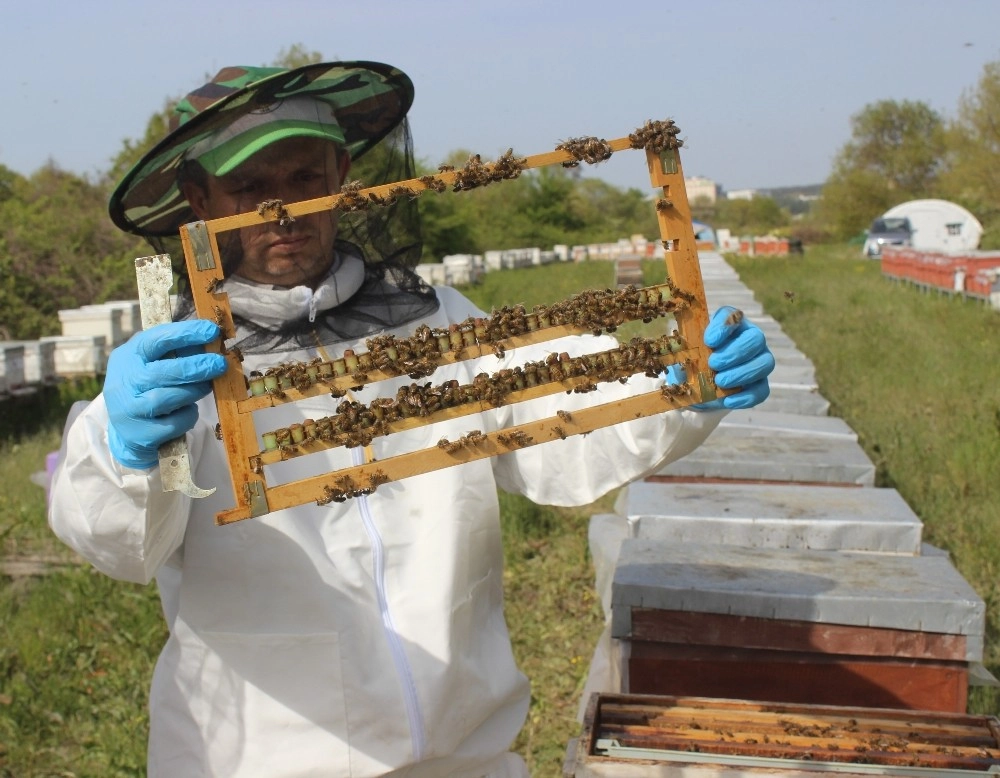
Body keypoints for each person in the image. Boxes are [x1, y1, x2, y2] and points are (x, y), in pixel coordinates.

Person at [49, 61, 774, 778]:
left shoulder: (439, 326)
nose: (285, 209)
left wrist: (672, 390)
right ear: (200, 200)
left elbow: (558, 428)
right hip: (257, 761)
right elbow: (119, 547)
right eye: (250, 188)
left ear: (340, 177)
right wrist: (122, 450)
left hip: (465, 753)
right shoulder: (173, 370)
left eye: (305, 178)